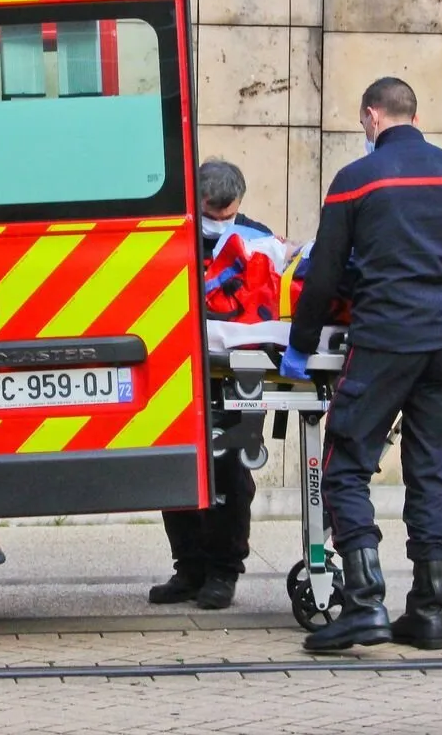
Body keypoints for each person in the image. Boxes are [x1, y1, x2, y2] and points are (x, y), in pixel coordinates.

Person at [278, 77, 442, 653]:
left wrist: (300, 345)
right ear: (414, 113)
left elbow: (326, 272)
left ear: (372, 116)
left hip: (385, 341)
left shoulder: (355, 181)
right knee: (429, 473)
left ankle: (364, 605)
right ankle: (427, 612)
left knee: (344, 466)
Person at [148, 158, 266, 610]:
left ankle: (223, 570)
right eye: (210, 215)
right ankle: (189, 567)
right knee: (174, 466)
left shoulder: (255, 237)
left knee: (230, 472)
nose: (219, 223)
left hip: (239, 372)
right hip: (181, 371)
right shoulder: (171, 234)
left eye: (226, 214)